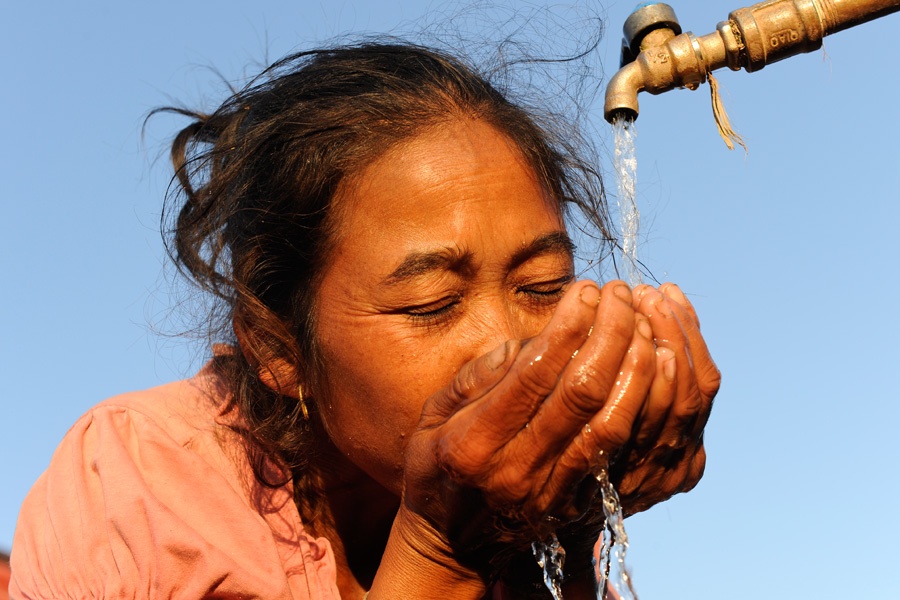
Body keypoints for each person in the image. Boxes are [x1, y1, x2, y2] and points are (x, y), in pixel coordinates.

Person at [10, 41, 719, 599]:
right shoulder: (135, 486)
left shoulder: (524, 521)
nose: (509, 345)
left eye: (543, 287)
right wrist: (443, 555)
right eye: (433, 304)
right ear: (278, 347)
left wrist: (561, 537)